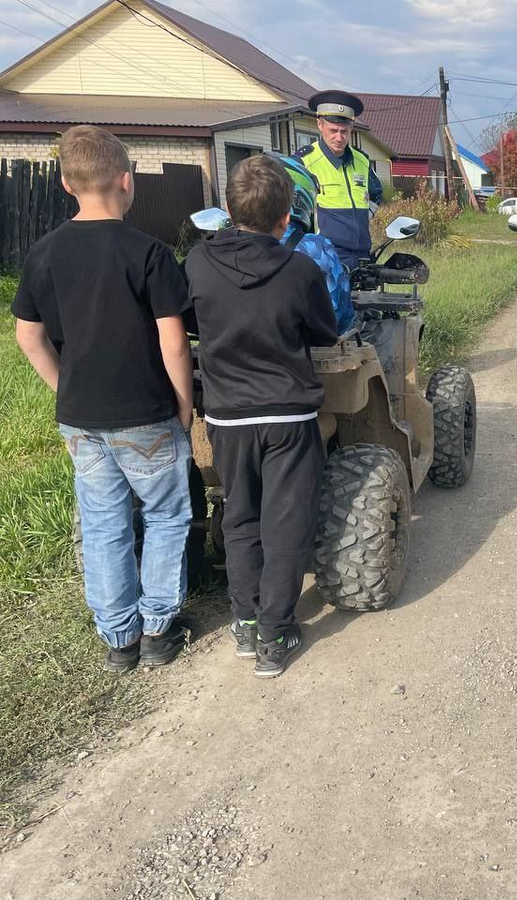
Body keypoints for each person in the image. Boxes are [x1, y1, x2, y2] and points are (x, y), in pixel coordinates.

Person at [11, 125, 194, 672]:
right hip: (146, 413)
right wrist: (183, 405)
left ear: (68, 184)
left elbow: (28, 335)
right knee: (164, 516)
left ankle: (119, 639)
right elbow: (174, 342)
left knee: (103, 523)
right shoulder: (150, 254)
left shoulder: (43, 253)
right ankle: (160, 628)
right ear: (126, 181)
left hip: (81, 419)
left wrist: (63, 386)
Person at [186, 155, 339, 678]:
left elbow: (188, 320)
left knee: (240, 516)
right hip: (289, 418)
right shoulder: (300, 270)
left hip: (227, 418)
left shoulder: (198, 264)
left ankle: (246, 624)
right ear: (285, 219)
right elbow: (324, 332)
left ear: (228, 211)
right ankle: (276, 634)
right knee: (285, 522)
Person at [293, 90, 383, 269]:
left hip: (362, 255)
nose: (339, 138)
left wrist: (364, 217)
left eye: (344, 131)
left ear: (351, 127)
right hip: (324, 257)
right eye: (333, 131)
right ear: (319, 124)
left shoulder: (362, 160)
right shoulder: (304, 162)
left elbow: (376, 194)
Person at [273, 152, 354, 334]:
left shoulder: (216, 249)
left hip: (226, 358)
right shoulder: (316, 249)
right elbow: (338, 318)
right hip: (295, 356)